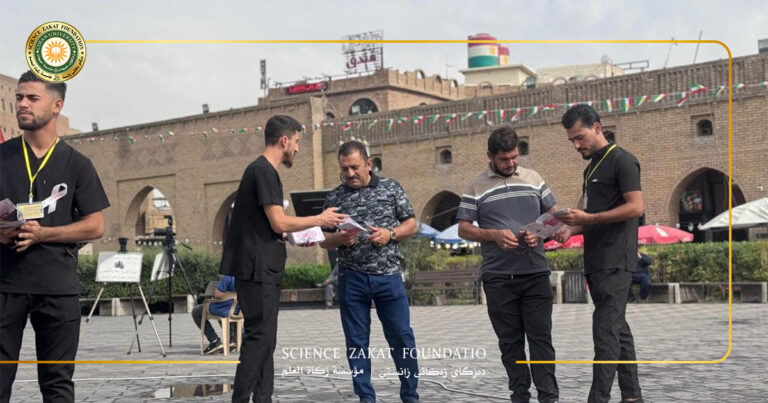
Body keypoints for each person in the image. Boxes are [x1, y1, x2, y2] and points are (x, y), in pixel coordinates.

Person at [219, 115, 346, 403]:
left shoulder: (261, 171)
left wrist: (298, 235)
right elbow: (278, 221)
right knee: (259, 338)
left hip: (261, 267)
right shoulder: (263, 171)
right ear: (284, 140)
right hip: (257, 269)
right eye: (297, 142)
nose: (298, 149)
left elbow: (270, 227)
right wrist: (320, 219)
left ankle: (263, 398)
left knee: (266, 338)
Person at [0, 71, 110, 402]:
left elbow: (95, 225)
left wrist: (43, 233)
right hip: (5, 285)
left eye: (32, 98)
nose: (22, 104)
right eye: (19, 97)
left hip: (57, 288)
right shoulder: (2, 157)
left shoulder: (77, 164)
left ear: (56, 105)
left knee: (57, 384)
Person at [456, 126, 560, 403]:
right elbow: (463, 229)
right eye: (504, 159)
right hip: (498, 278)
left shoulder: (534, 179)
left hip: (536, 274)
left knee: (541, 340)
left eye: (515, 157)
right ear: (490, 156)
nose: (511, 163)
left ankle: (549, 397)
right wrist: (494, 235)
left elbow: (555, 217)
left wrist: (540, 232)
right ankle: (520, 395)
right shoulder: (475, 186)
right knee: (510, 343)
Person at [554, 104, 644, 403]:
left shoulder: (623, 160)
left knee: (605, 333)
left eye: (579, 138)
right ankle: (632, 397)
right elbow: (589, 216)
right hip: (596, 261)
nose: (576, 145)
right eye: (571, 141)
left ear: (597, 128)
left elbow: (635, 207)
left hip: (616, 260)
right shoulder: (591, 167)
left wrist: (588, 219)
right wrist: (570, 229)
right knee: (618, 330)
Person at [319, 140, 420, 403]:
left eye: (354, 167)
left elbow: (411, 224)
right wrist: (339, 238)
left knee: (402, 338)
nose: (350, 173)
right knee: (356, 342)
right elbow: (323, 240)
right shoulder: (334, 198)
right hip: (352, 278)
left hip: (389, 277)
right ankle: (366, 397)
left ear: (368, 163)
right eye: (344, 169)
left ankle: (410, 396)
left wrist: (390, 234)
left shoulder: (391, 188)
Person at [192, 275, 240, 354]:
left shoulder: (228, 277)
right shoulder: (247, 278)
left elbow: (217, 295)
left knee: (196, 312)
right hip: (238, 310)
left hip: (223, 309)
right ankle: (232, 340)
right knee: (224, 312)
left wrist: (218, 292)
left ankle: (214, 341)